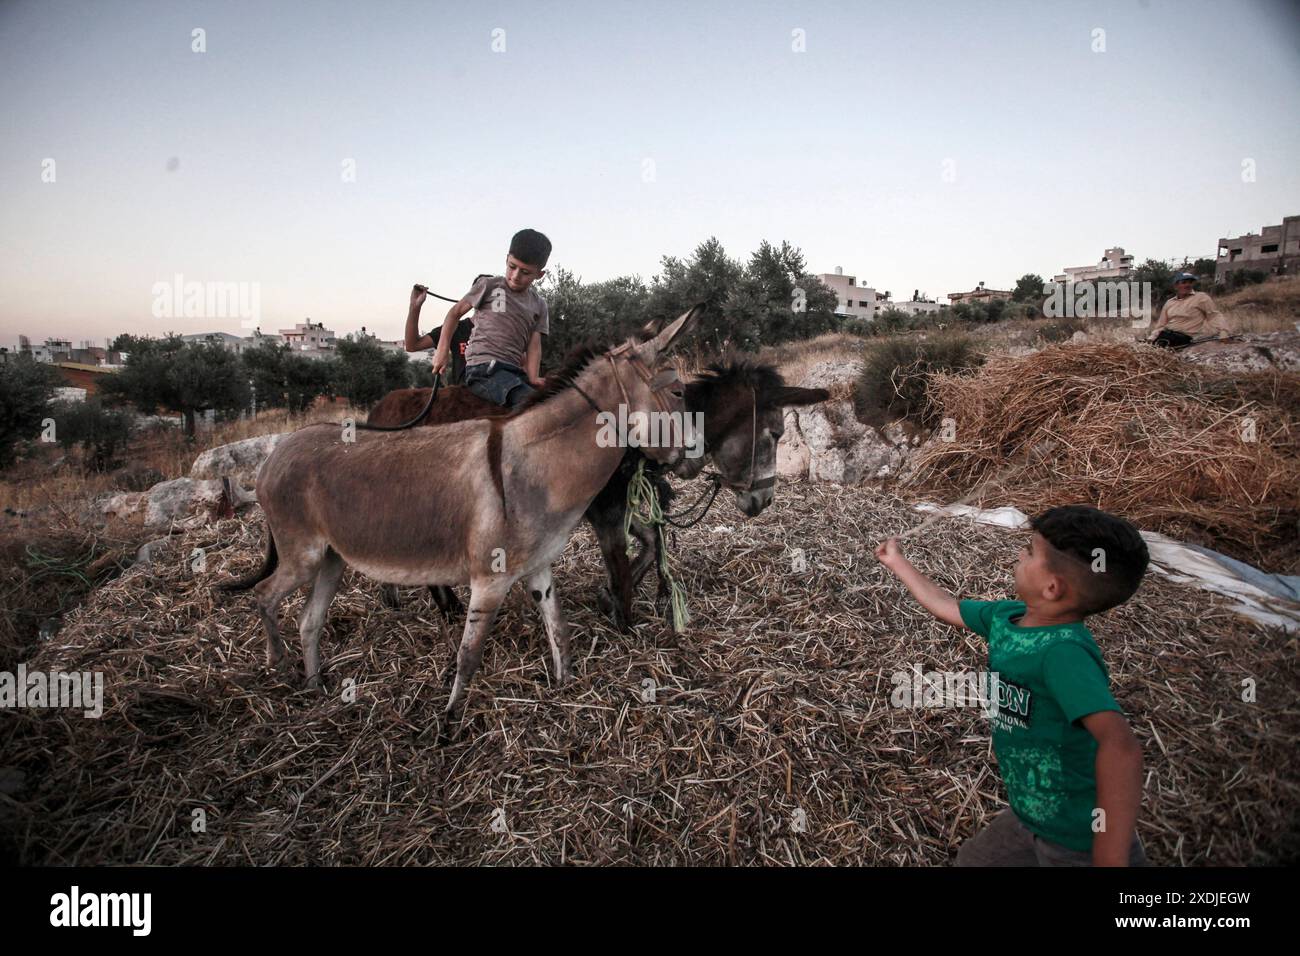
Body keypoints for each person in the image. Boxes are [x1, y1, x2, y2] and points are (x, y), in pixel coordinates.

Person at [875, 505, 1151, 866]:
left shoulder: (1063, 654)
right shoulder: (1008, 618)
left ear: (1052, 588)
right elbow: (947, 606)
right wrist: (897, 562)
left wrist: (1109, 859)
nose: (1020, 554)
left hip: (1078, 835)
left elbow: (1121, 748)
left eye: (1031, 551)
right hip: (1028, 813)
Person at [404, 228, 551, 407]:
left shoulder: (539, 304)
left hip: (511, 371)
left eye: (525, 272)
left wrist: (533, 377)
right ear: (506, 259)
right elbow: (454, 313)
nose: (515, 276)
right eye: (512, 267)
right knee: (529, 405)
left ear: (540, 275)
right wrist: (442, 350)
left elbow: (534, 344)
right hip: (484, 369)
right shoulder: (489, 285)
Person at [1147, 272, 1231, 348]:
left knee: (1158, 350)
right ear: (1176, 286)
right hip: (1166, 335)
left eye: (1190, 282)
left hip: (1184, 337)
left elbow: (1213, 315)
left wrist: (1223, 330)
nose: (1187, 285)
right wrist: (1152, 337)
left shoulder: (1201, 298)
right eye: (1184, 282)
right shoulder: (1169, 302)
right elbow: (1161, 324)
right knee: (1144, 349)